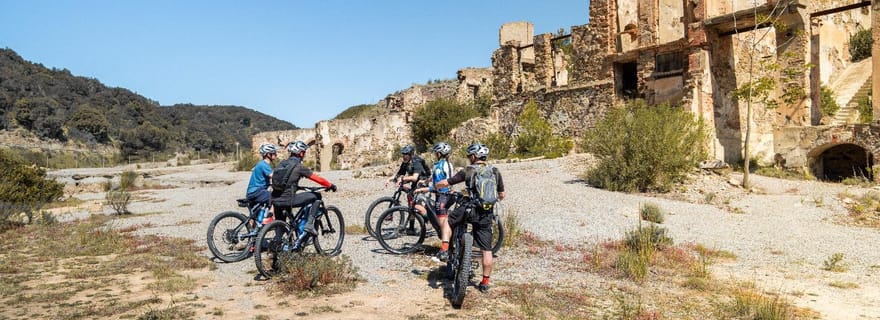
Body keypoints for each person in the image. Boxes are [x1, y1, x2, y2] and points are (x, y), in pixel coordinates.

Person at [429, 143, 505, 293]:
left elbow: (447, 182)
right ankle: (484, 282)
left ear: (474, 156)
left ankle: (444, 249)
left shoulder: (469, 170)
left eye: (470, 156)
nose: (469, 158)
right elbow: (501, 195)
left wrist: (434, 186)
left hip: (470, 210)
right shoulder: (495, 171)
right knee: (486, 250)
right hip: (486, 214)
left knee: (448, 222)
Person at [271, 140, 337, 251]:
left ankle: (275, 249)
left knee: (280, 226)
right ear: (301, 153)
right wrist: (330, 185)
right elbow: (317, 178)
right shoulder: (299, 166)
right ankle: (309, 225)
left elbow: (284, 182)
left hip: (275, 200)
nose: (304, 155)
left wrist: (296, 187)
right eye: (304, 152)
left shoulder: (281, 164)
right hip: (289, 199)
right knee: (317, 196)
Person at [413, 142, 455, 262]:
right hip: (438, 194)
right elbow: (434, 177)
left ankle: (445, 250)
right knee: (436, 217)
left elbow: (448, 181)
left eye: (436, 153)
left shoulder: (447, 165)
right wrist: (425, 181)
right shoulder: (437, 164)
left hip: (444, 195)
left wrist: (428, 188)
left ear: (440, 153)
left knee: (443, 223)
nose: (434, 154)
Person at [245, 143, 278, 227]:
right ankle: (270, 216)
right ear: (268, 154)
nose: (276, 154)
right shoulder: (264, 165)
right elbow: (273, 177)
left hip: (252, 192)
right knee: (275, 197)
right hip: (257, 192)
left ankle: (252, 236)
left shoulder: (260, 164)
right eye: (273, 153)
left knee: (254, 216)